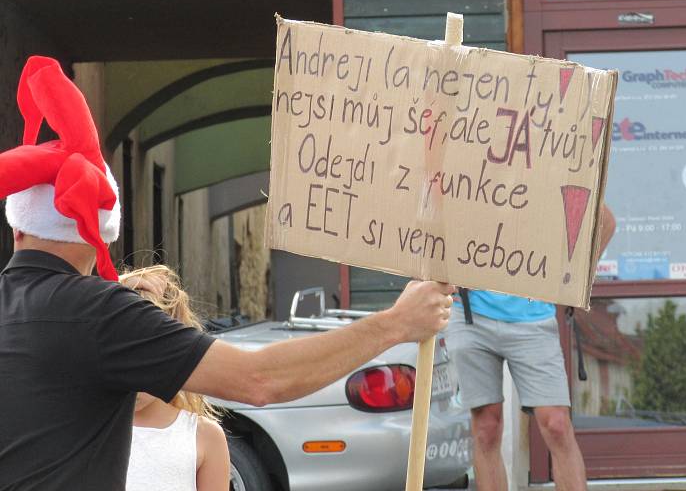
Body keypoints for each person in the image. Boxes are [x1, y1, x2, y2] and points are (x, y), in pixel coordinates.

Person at [0, 56, 455, 490]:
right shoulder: (98, 316)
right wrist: (397, 323)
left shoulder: (62, 314)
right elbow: (259, 381)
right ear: (100, 231)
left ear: (17, 226)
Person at [446, 205, 616, 491]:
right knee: (486, 427)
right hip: (470, 314)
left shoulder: (549, 164)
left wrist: (574, 278)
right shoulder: (471, 165)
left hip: (532, 317)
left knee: (557, 424)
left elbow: (605, 221)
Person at [120, 265, 229, 491]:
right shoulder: (86, 424)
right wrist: (113, 287)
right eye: (122, 350)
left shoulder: (203, 436)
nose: (134, 369)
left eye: (150, 352)